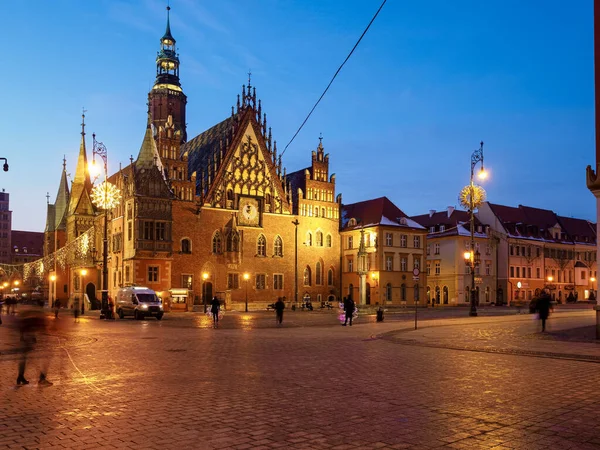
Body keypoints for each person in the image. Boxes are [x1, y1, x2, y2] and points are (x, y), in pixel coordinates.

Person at [17, 301, 52, 386]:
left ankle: (20, 377)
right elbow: (41, 326)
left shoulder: (27, 313)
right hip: (29, 339)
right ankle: (42, 378)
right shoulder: (37, 314)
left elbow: (22, 326)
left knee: (24, 358)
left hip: (26, 339)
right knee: (44, 357)